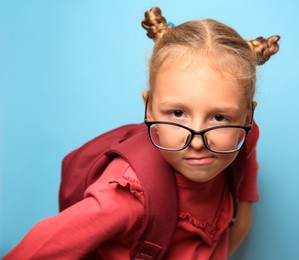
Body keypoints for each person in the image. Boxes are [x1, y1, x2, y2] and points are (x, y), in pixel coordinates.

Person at [4, 6, 279, 259]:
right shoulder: (125, 196)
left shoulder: (243, 140)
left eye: (219, 117)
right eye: (177, 113)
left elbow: (242, 219)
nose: (197, 138)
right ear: (149, 108)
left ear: (248, 116)